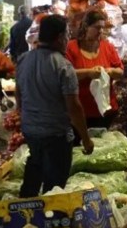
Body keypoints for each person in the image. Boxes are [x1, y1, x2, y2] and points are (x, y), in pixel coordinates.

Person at [16, 15, 93, 197]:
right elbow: (74, 107)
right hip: (56, 134)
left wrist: (25, 116)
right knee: (55, 184)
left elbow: (19, 94)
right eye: (67, 35)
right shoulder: (63, 66)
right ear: (60, 37)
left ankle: (25, 207)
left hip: (31, 130)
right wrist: (85, 138)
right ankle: (50, 212)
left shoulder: (24, 59)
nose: (68, 39)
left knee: (34, 168)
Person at [65, 10, 125, 130]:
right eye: (97, 27)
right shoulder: (71, 47)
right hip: (80, 111)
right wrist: (88, 73)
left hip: (105, 110)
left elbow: (120, 72)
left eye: (102, 28)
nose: (101, 31)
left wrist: (110, 71)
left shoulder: (107, 47)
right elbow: (66, 75)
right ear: (86, 26)